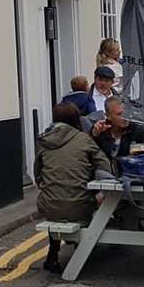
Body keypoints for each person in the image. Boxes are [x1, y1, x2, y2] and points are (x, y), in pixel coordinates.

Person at [35, 101, 113, 273]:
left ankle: (53, 255)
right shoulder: (84, 139)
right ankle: (80, 249)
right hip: (80, 206)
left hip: (48, 207)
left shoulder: (43, 141)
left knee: (56, 197)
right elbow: (105, 166)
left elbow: (37, 176)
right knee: (84, 199)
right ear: (76, 120)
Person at [91, 96, 144, 163]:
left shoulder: (140, 131)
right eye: (119, 114)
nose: (125, 117)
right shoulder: (101, 131)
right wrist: (95, 135)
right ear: (108, 116)